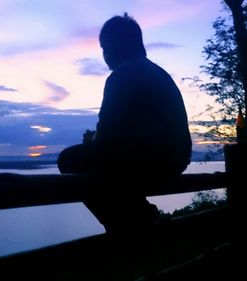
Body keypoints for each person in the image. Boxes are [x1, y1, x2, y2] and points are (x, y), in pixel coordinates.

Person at [58, 13, 192, 234]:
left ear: (118, 46)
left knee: (70, 160)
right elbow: (135, 129)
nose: (105, 55)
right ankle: (140, 216)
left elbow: (106, 135)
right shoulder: (156, 72)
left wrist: (94, 141)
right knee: (106, 166)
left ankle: (127, 226)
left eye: (106, 48)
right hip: (175, 157)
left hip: (154, 160)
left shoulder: (123, 75)